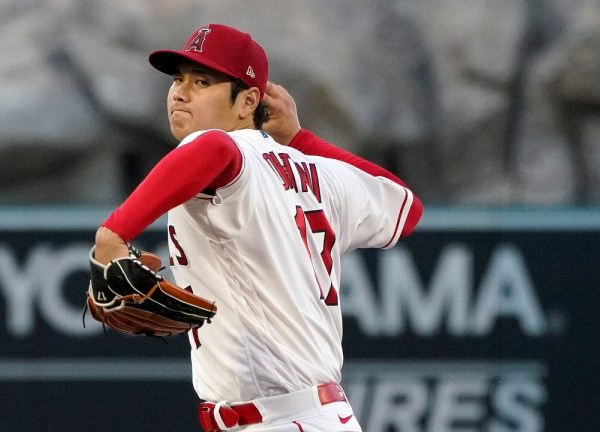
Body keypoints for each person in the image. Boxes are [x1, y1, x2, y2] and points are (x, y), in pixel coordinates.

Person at [93, 23, 423, 432]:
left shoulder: (225, 153)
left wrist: (114, 233)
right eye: (178, 80)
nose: (180, 92)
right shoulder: (320, 173)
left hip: (282, 419)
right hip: (306, 416)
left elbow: (214, 150)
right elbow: (405, 207)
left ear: (248, 100)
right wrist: (301, 138)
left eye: (202, 81)